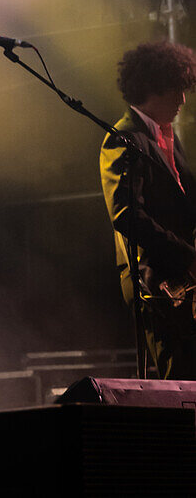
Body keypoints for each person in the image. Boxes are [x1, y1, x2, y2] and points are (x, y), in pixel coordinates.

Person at [100, 39, 196, 378]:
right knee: (181, 378)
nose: (183, 100)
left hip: (179, 277)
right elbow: (126, 215)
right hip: (154, 279)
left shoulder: (167, 135)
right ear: (154, 88)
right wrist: (186, 255)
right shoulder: (123, 137)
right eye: (177, 90)